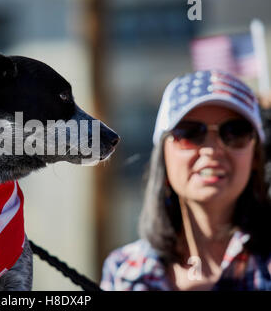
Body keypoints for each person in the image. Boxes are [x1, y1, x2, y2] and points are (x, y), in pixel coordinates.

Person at [101, 70, 271, 291]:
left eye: (235, 132)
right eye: (189, 132)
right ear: (163, 154)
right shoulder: (125, 271)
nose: (212, 150)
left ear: (256, 155)